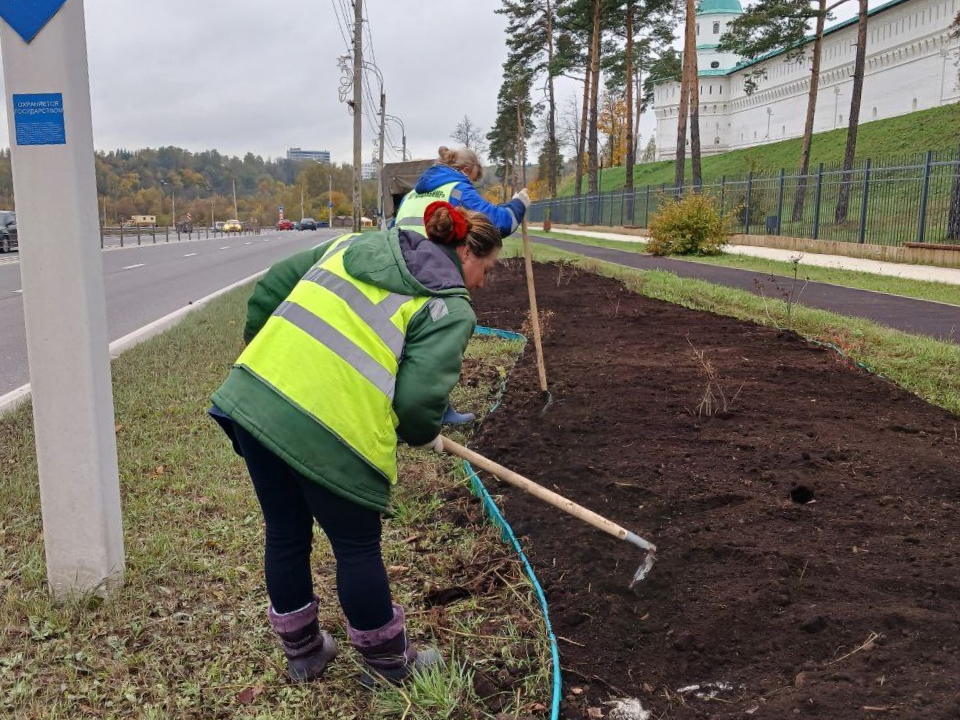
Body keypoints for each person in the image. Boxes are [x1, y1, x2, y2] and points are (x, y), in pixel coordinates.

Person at [209, 202, 502, 686]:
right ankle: (389, 664)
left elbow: (272, 288)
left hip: (254, 398)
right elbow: (416, 400)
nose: (482, 283)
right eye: (486, 270)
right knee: (356, 544)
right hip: (330, 428)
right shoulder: (448, 306)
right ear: (466, 252)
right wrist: (423, 432)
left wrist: (271, 362)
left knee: (285, 530)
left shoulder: (355, 244)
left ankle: (303, 653)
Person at [393, 145, 529, 239]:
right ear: (465, 171)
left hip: (404, 271)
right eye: (472, 179)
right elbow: (497, 223)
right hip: (435, 271)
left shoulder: (409, 196)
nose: (470, 185)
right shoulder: (458, 191)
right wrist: (519, 203)